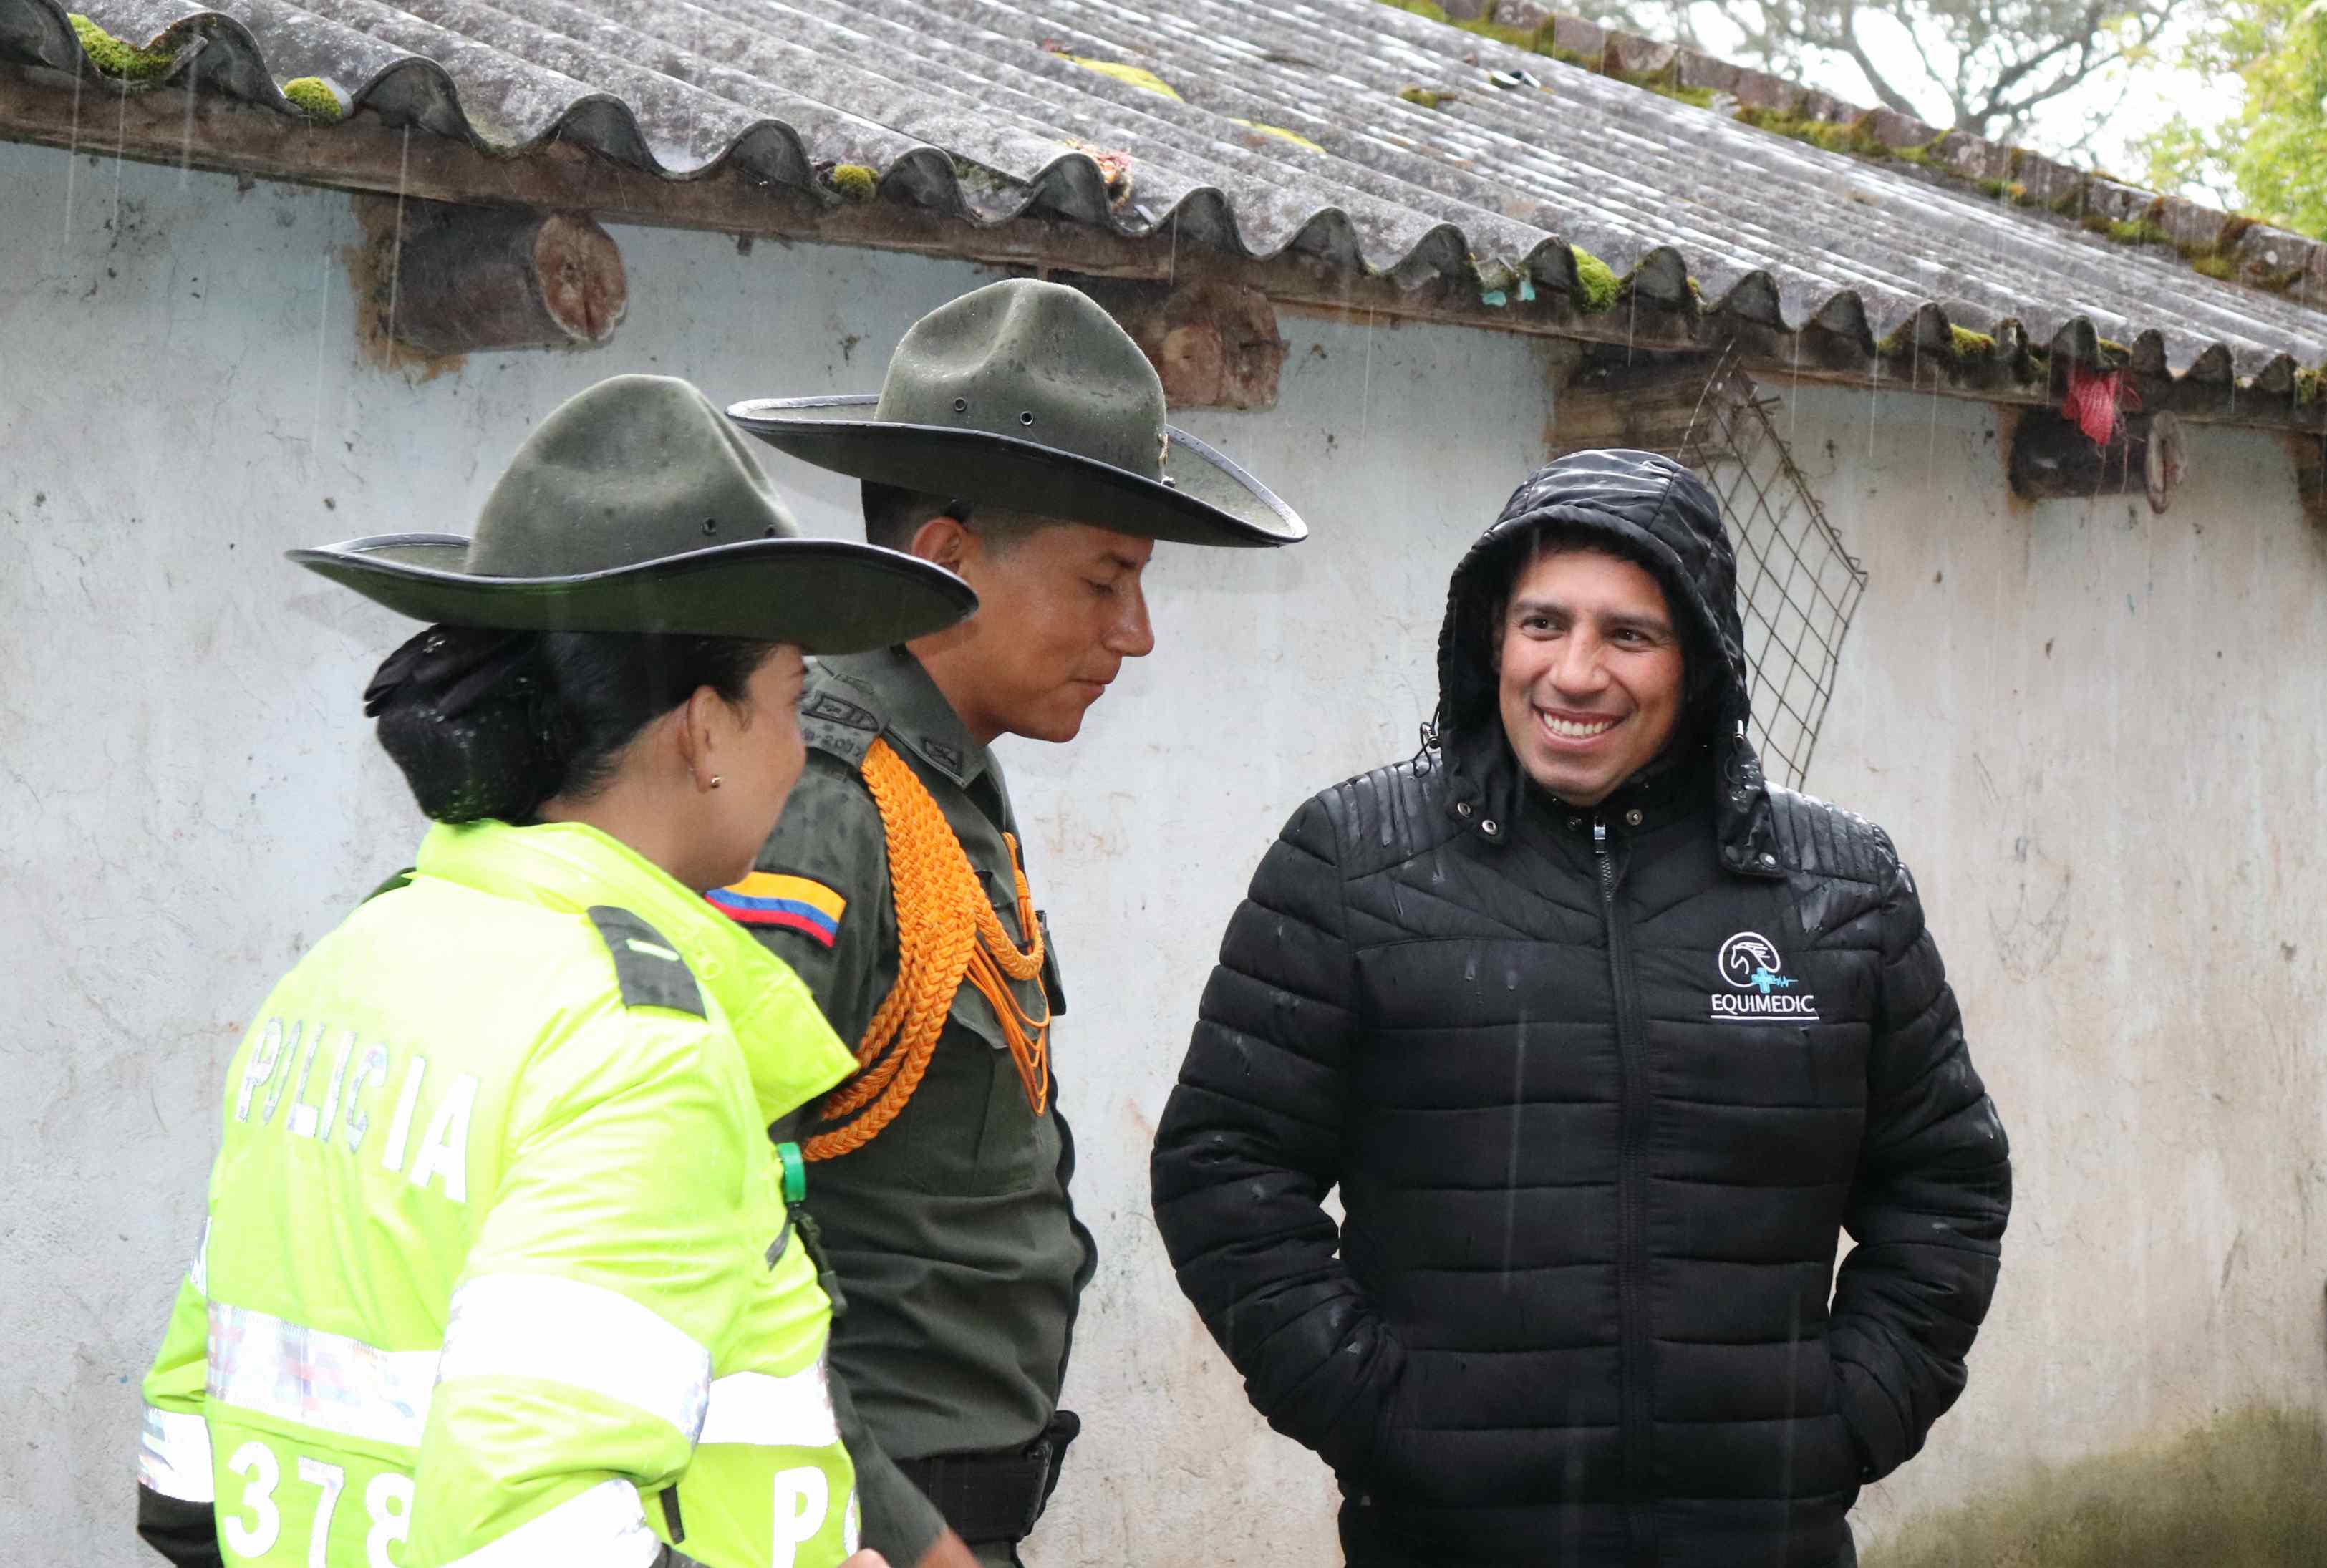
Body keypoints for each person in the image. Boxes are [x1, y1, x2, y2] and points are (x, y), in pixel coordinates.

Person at [130, 375, 974, 1568]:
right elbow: (531, 1537)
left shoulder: (343, 974)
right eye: (789, 700)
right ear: (703, 731)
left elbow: (188, 1486)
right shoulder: (638, 1051)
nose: (803, 746)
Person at [1151, 450, 2011, 1567]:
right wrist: (1381, 1414)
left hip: (1760, 1539)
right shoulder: (1353, 864)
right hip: (1448, 1538)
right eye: (1542, 624)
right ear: (1489, 640)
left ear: (1699, 660)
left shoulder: (1835, 888)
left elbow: (1945, 1178)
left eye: (1628, 634)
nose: (1573, 672)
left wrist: (1843, 1415)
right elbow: (1224, 1167)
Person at [715, 278, 1306, 1568]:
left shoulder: (939, 787)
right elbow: (711, 1217)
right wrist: (896, 1530)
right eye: (1105, 580)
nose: (1134, 634)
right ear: (941, 563)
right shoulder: (828, 809)